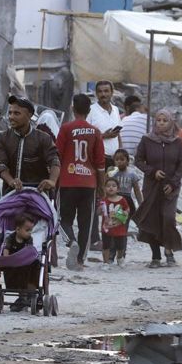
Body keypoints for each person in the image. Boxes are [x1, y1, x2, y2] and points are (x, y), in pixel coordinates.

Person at [56, 94, 106, 270]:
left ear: (72, 108)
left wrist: (53, 180)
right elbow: (100, 163)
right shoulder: (96, 132)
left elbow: (57, 157)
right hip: (89, 184)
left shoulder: (65, 129)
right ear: (89, 110)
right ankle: (79, 261)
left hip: (67, 182)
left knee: (63, 219)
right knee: (86, 223)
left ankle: (71, 241)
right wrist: (101, 187)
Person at [134, 109, 182, 269]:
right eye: (158, 120)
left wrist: (173, 184)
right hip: (152, 187)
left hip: (170, 188)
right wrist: (152, 172)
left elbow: (181, 165)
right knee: (152, 219)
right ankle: (155, 256)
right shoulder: (147, 140)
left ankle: (169, 252)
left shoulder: (177, 142)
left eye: (165, 120)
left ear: (170, 122)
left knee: (168, 218)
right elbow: (138, 160)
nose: (161, 123)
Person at [0, 95, 60, 194]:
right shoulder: (2, 138)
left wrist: (52, 181)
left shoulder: (43, 138)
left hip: (38, 195)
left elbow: (54, 161)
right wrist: (11, 181)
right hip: (11, 195)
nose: (11, 117)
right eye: (10, 113)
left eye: (17, 113)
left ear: (29, 115)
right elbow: (1, 165)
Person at [97, 177, 133, 266]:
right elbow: (98, 212)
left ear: (118, 188)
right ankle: (105, 262)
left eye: (113, 186)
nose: (111, 188)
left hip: (120, 227)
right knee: (106, 246)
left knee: (120, 246)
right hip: (106, 228)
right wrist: (100, 209)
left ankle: (120, 258)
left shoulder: (122, 199)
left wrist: (125, 212)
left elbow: (127, 209)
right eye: (108, 186)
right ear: (105, 188)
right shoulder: (103, 200)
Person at [87, 80, 124, 164]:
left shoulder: (115, 109)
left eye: (106, 91)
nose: (103, 94)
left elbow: (118, 134)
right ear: (96, 94)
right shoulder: (90, 110)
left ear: (112, 93)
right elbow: (86, 135)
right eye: (100, 91)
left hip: (115, 159)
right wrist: (104, 135)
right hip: (98, 158)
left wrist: (121, 151)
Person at [1, 213, 40, 290]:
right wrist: (6, 259)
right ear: (18, 229)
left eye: (31, 230)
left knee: (36, 263)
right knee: (5, 265)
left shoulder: (29, 239)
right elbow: (6, 249)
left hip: (24, 263)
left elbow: (29, 251)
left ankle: (31, 285)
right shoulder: (10, 238)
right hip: (12, 264)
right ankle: (14, 285)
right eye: (27, 230)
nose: (30, 232)